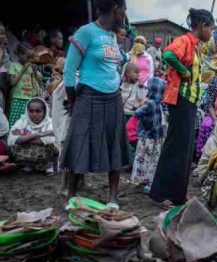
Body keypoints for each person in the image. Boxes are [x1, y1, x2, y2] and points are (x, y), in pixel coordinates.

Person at [61, 0, 129, 209]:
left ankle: (113, 198)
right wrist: (73, 100)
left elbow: (111, 67)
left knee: (114, 143)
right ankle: (72, 195)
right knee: (79, 143)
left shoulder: (111, 36)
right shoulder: (86, 32)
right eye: (124, 11)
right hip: (88, 96)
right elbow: (69, 70)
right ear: (117, 10)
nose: (125, 16)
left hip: (113, 98)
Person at [150, 8, 215, 208]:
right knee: (175, 147)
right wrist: (183, 71)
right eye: (211, 28)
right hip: (181, 98)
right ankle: (161, 194)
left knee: (185, 148)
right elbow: (168, 55)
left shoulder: (196, 46)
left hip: (191, 100)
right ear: (202, 25)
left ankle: (178, 194)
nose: (211, 33)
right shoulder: (185, 41)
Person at [131, 77, 166, 192]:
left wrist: (144, 121)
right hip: (155, 137)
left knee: (144, 159)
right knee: (152, 160)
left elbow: (136, 113)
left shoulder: (150, 103)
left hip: (148, 138)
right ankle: (148, 183)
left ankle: (142, 181)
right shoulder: (157, 103)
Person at [8, 97, 58, 174]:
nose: (34, 114)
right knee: (14, 146)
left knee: (49, 146)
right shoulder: (22, 121)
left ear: (44, 112)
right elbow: (12, 139)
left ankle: (47, 165)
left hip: (43, 154)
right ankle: (28, 165)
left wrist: (24, 137)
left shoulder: (50, 123)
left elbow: (50, 140)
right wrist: (38, 134)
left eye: (38, 111)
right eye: (31, 111)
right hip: (29, 151)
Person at [8, 42, 42, 128]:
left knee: (27, 122)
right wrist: (23, 69)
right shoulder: (14, 66)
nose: (30, 59)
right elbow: (12, 82)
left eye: (31, 57)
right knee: (15, 121)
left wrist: (35, 72)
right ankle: (13, 138)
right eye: (28, 57)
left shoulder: (31, 67)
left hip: (29, 99)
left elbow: (38, 82)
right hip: (17, 98)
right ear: (19, 55)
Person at [0, 22, 11, 111]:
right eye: (0, 33)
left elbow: (9, 67)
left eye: (4, 33)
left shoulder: (4, 50)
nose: (3, 36)